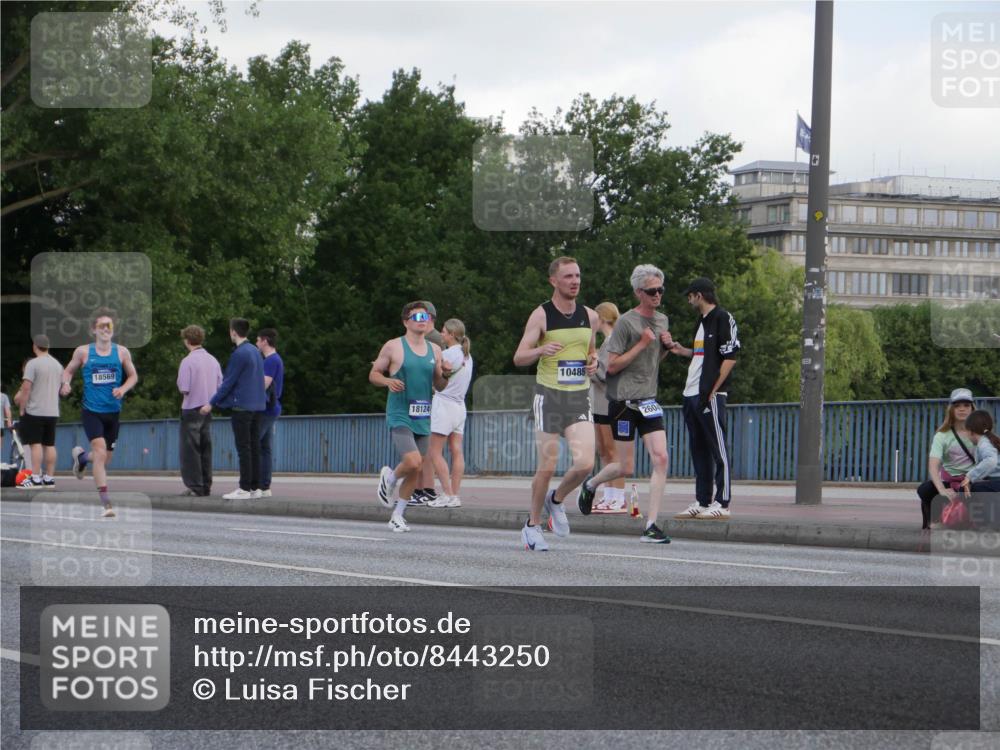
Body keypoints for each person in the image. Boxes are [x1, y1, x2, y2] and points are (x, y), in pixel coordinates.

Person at [577, 266, 674, 543]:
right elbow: (612, 367)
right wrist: (643, 344)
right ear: (638, 293)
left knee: (661, 458)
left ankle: (651, 525)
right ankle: (591, 484)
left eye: (660, 290)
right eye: (652, 291)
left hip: (649, 400)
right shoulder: (626, 324)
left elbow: (652, 363)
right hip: (622, 402)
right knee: (624, 467)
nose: (657, 295)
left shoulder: (663, 320)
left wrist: (665, 348)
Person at [513, 256, 598, 551]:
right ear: (554, 281)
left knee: (586, 463)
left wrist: (592, 362)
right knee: (547, 466)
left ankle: (556, 499)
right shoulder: (541, 315)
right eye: (568, 277)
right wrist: (540, 349)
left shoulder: (591, 315)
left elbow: (590, 350)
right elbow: (519, 357)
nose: (574, 281)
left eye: (577, 275)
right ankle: (532, 525)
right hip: (548, 397)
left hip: (577, 398)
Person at [371, 302, 450, 532]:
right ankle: (390, 478)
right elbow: (373, 374)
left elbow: (440, 385)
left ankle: (397, 515)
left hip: (423, 415)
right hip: (400, 413)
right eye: (417, 316)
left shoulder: (435, 350)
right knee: (413, 461)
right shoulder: (393, 347)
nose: (423, 319)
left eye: (425, 316)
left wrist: (447, 373)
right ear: (406, 321)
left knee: (416, 470)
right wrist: (387, 381)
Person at [669, 278, 740, 520]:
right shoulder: (700, 322)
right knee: (698, 449)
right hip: (691, 393)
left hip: (710, 394)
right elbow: (702, 356)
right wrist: (683, 351)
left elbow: (730, 357)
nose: (688, 300)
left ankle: (723, 502)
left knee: (718, 449)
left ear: (699, 295)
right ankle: (702, 500)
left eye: (689, 295)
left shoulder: (722, 318)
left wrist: (713, 388)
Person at [62, 308, 139, 518]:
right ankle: (106, 504)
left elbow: (133, 376)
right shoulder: (83, 352)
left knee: (104, 459)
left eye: (109, 325)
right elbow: (68, 371)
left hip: (113, 412)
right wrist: (66, 384)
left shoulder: (122, 352)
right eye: (101, 326)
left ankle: (82, 458)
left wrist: (123, 389)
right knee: (101, 451)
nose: (106, 329)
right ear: (93, 330)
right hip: (92, 411)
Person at [203, 318, 266, 500]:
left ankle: (244, 488)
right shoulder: (255, 351)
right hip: (258, 406)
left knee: (243, 448)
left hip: (242, 407)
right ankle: (255, 487)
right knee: (254, 447)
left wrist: (211, 403)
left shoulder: (239, 354)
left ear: (233, 332)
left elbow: (228, 382)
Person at [426, 319, 473, 509]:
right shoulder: (467, 356)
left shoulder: (446, 354)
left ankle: (447, 494)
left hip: (444, 403)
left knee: (434, 451)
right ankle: (455, 495)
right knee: (457, 451)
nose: (441, 334)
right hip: (460, 406)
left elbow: (427, 370)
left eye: (444, 332)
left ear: (452, 334)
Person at [915, 388, 976, 529]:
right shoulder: (942, 436)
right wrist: (942, 489)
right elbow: (933, 466)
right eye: (957, 406)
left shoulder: (979, 433)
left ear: (972, 409)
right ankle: (933, 521)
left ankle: (982, 523)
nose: (962, 409)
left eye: (966, 405)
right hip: (950, 482)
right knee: (925, 489)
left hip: (973, 481)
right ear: (951, 410)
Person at [588, 302, 627, 513]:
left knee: (614, 452)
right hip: (599, 402)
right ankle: (609, 495)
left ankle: (619, 497)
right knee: (603, 450)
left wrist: (588, 369)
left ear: (601, 318)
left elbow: (606, 374)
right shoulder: (605, 343)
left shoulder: (614, 342)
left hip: (611, 402)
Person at [177, 325, 222, 497]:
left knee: (190, 450)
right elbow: (220, 386)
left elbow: (184, 388)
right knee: (205, 448)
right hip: (207, 408)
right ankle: (206, 485)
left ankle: (195, 486)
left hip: (191, 408)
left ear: (187, 341)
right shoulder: (213, 360)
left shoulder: (187, 361)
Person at [13, 335, 63, 489]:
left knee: (35, 444)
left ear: (35, 346)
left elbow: (26, 388)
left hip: (35, 410)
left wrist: (22, 408)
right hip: (52, 410)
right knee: (50, 445)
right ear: (48, 347)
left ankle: (35, 478)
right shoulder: (57, 365)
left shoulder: (33, 364)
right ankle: (49, 478)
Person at [413, 300, 444, 504]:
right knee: (426, 447)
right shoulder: (435, 338)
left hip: (428, 397)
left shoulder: (431, 340)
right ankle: (426, 489)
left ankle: (423, 490)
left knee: (422, 447)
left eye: (421, 316)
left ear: (429, 318)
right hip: (431, 398)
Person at [958, 409, 1000, 528]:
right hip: (996, 482)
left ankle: (986, 523)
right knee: (977, 487)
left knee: (965, 490)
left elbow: (991, 461)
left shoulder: (984, 443)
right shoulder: (988, 441)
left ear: (971, 431)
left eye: (966, 431)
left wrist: (969, 477)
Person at [256, 328, 284, 498]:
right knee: (265, 448)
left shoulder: (270, 361)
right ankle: (265, 486)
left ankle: (256, 485)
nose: (256, 343)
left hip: (266, 409)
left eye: (258, 340)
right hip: (273, 408)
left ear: (265, 341)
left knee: (254, 445)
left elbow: (263, 386)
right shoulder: (276, 360)